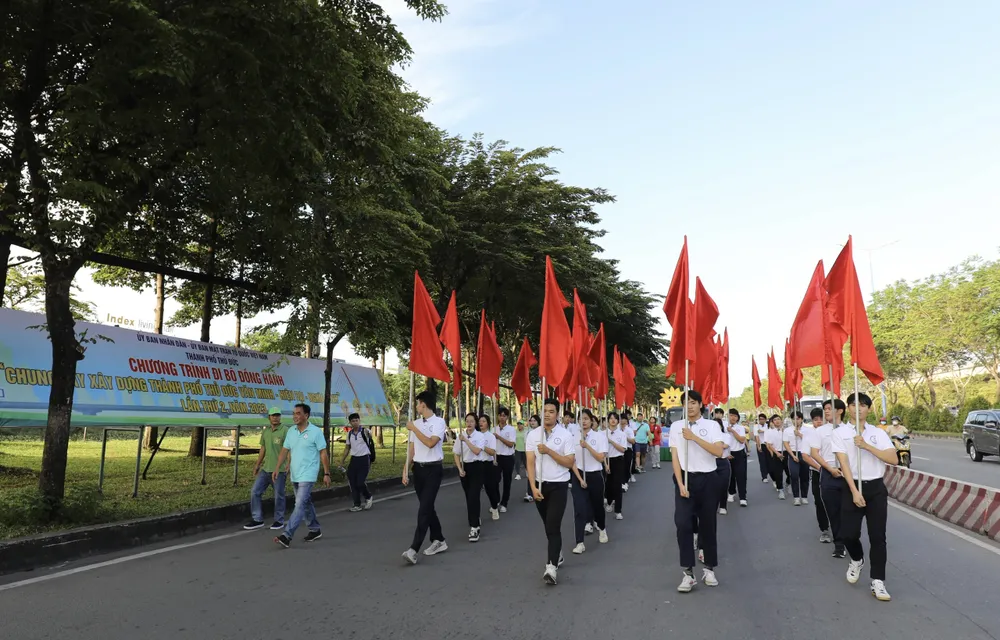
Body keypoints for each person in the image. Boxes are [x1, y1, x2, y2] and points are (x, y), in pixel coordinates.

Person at [833, 392, 897, 602]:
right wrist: (854, 491)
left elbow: (893, 458)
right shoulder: (840, 433)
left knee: (878, 537)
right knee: (848, 535)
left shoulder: (878, 434)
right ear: (847, 409)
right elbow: (843, 463)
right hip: (852, 486)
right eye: (853, 404)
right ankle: (857, 559)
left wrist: (867, 446)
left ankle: (878, 581)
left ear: (869, 409)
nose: (858, 408)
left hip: (876, 488)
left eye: (862, 405)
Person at [671, 390, 725, 593]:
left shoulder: (711, 425)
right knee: (682, 524)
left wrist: (693, 437)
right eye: (686, 403)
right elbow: (675, 456)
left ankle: (709, 568)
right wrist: (680, 483)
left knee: (708, 525)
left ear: (701, 405)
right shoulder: (677, 426)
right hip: (685, 479)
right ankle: (687, 573)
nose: (690, 406)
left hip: (709, 479)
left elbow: (718, 451)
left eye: (693, 402)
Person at [526, 398, 576, 585]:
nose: (547, 414)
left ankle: (551, 567)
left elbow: (569, 462)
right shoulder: (533, 435)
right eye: (545, 410)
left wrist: (549, 451)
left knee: (553, 525)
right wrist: (532, 486)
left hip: (559, 485)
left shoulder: (565, 435)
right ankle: (558, 552)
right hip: (540, 486)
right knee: (548, 526)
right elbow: (530, 462)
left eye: (551, 411)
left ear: (557, 414)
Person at [272, 404, 330, 548]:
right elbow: (285, 450)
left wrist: (327, 473)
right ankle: (315, 529)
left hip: (308, 474)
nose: (295, 416)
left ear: (307, 415)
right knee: (305, 503)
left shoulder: (315, 432)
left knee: (299, 504)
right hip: (295, 474)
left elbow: (323, 453)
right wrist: (277, 467)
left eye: (298, 413)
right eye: (294, 413)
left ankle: (287, 535)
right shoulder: (291, 431)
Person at [401, 390, 448, 564]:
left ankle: (413, 549)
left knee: (423, 510)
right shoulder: (416, 423)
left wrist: (414, 428)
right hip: (418, 471)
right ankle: (439, 540)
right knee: (427, 507)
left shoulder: (439, 422)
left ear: (424, 404)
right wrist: (406, 468)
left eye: (418, 403)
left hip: (433, 470)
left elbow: (430, 443)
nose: (416, 406)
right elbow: (412, 449)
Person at [570, 409, 609, 554]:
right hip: (578, 474)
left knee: (597, 506)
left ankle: (602, 528)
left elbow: (600, 458)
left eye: (587, 418)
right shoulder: (573, 437)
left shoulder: (599, 437)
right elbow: (571, 461)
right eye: (581, 418)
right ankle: (579, 542)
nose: (584, 421)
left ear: (592, 421)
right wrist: (579, 479)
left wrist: (587, 446)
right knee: (579, 508)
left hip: (595, 475)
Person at [245, 407, 289, 531]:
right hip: (266, 469)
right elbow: (263, 449)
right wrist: (257, 465)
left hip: (279, 470)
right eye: (273, 415)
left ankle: (279, 520)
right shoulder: (266, 431)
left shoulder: (285, 430)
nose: (275, 417)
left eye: (277, 415)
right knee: (255, 492)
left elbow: (289, 449)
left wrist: (289, 464)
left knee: (279, 495)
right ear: (269, 417)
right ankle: (257, 519)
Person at [815, 398, 848, 557]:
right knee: (833, 512)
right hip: (828, 473)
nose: (826, 411)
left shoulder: (850, 430)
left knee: (848, 511)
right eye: (825, 408)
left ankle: (850, 540)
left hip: (847, 473)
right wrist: (829, 468)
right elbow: (814, 453)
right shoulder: (820, 431)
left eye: (830, 408)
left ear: (840, 411)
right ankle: (839, 544)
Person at [454, 412, 486, 542]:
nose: (469, 423)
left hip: (477, 467)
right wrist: (460, 468)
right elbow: (456, 454)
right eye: (467, 421)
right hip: (465, 468)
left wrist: (466, 440)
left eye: (472, 421)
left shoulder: (479, 436)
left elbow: (477, 451)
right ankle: (474, 517)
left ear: (476, 423)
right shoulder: (460, 437)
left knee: (474, 495)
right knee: (468, 496)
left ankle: (474, 527)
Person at [802, 407, 830, 542]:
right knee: (820, 501)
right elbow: (805, 456)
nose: (819, 422)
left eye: (821, 419)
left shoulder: (834, 431)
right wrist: (821, 468)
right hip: (818, 472)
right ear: (812, 421)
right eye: (816, 420)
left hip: (836, 473)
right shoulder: (809, 435)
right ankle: (824, 529)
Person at [340, 412, 374, 512]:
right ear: (350, 422)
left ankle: (368, 496)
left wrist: (369, 434)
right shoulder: (349, 434)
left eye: (356, 420)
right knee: (353, 482)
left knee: (360, 482)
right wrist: (342, 460)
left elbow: (370, 436)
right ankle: (357, 504)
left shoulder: (364, 431)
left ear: (359, 421)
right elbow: (347, 448)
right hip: (354, 460)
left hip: (364, 459)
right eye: (353, 421)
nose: (355, 422)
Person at [605, 411, 628, 520]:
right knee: (608, 484)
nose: (613, 420)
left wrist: (611, 442)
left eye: (615, 418)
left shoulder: (622, 434)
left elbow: (623, 449)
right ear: (608, 420)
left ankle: (618, 510)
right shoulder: (603, 433)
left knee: (617, 485)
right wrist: (605, 463)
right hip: (606, 460)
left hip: (618, 460)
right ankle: (609, 502)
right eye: (611, 418)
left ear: (618, 421)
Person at [783, 411, 810, 506]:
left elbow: (810, 442)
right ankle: (796, 497)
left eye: (798, 418)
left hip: (804, 453)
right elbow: (786, 443)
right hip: (793, 453)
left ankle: (804, 496)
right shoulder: (787, 430)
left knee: (805, 476)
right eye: (794, 419)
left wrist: (799, 434)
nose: (796, 421)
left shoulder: (807, 430)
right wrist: (792, 455)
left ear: (801, 419)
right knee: (794, 475)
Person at [479, 414, 502, 521]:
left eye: (483, 421)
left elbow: (492, 452)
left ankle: (494, 508)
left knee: (490, 489)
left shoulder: (490, 436)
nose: (481, 423)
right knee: (474, 492)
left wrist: (482, 446)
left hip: (487, 465)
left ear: (487, 423)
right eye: (479, 421)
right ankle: (475, 516)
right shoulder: (475, 435)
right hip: (476, 465)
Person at [494, 407, 516, 512]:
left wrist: (499, 437)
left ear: (507, 417)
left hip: (507, 457)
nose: (502, 417)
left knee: (507, 481)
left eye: (504, 415)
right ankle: (496, 500)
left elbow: (511, 444)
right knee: (495, 480)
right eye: (500, 415)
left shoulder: (511, 429)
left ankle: (504, 503)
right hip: (497, 457)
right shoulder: (494, 429)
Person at [724, 408, 748, 507]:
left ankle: (743, 497)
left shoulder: (740, 428)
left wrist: (733, 431)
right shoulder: (723, 426)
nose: (733, 417)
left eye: (735, 416)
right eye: (731, 415)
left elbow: (742, 440)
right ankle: (731, 492)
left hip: (739, 454)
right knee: (730, 475)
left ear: (737, 418)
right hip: (727, 454)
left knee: (741, 476)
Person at [764, 415, 786, 499]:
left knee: (790, 472)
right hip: (777, 453)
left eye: (778, 419)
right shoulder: (770, 432)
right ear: (772, 422)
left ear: (781, 421)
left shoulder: (785, 431)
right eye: (775, 420)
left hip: (786, 452)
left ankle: (788, 483)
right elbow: (769, 444)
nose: (777, 421)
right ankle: (780, 489)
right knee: (778, 472)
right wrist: (776, 453)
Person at [521, 416, 539, 502]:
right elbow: (525, 445)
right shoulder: (527, 432)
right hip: (530, 456)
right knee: (530, 474)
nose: (532, 422)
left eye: (534, 421)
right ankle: (529, 493)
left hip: (539, 456)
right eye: (531, 421)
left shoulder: (542, 431)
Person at [753, 414, 770, 482]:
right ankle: (764, 476)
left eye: (763, 419)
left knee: (769, 461)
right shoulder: (756, 426)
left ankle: (768, 472)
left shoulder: (768, 425)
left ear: (765, 420)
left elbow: (769, 433)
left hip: (768, 445)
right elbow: (757, 436)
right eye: (760, 419)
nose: (761, 420)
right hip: (761, 444)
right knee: (762, 461)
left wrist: (763, 431)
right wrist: (758, 446)